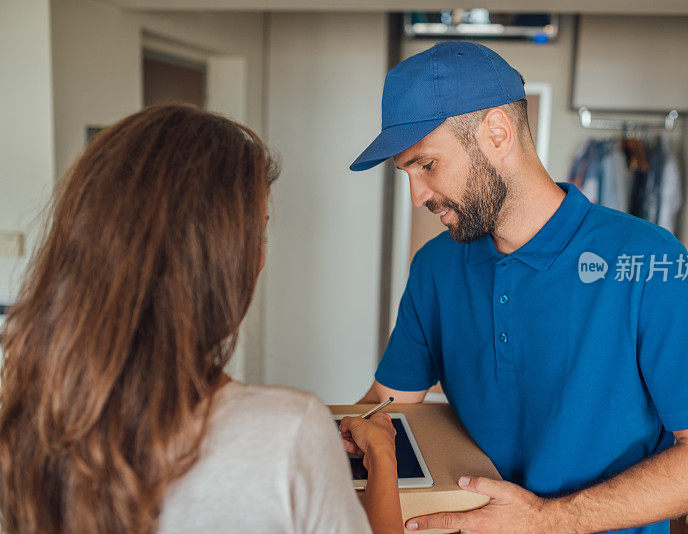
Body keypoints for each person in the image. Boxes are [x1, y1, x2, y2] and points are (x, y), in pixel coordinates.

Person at [350, 41, 688, 533]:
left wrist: (546, 520)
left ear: (496, 133)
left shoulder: (646, 259)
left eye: (427, 165)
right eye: (406, 172)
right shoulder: (435, 267)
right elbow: (387, 403)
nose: (416, 196)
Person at [0, 104, 402, 534]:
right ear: (219, 259)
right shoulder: (287, 435)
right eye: (258, 232)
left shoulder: (24, 414)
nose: (263, 257)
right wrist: (383, 459)